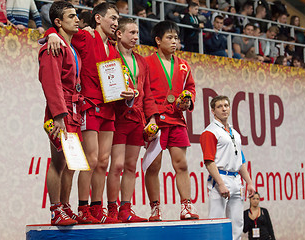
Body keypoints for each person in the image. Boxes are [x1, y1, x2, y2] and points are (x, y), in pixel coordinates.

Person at [46, 2, 134, 224]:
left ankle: (97, 208)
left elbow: (114, 82)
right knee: (89, 160)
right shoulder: (85, 37)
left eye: (117, 20)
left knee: (103, 162)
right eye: (112, 18)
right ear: (98, 19)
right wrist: (50, 34)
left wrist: (127, 93)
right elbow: (61, 33)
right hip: (88, 106)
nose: (115, 23)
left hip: (109, 109)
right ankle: (82, 207)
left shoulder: (113, 49)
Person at [144, 20, 199, 221]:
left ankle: (186, 207)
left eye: (176, 38)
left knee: (181, 164)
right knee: (153, 166)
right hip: (156, 120)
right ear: (158, 40)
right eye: (169, 37)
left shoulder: (184, 65)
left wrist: (188, 99)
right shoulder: (147, 62)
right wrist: (149, 118)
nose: (174, 41)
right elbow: (144, 91)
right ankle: (155, 208)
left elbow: (191, 88)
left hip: (176, 119)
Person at [106, 18, 159, 223]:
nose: (136, 37)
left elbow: (146, 93)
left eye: (137, 33)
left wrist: (152, 118)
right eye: (132, 33)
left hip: (137, 118)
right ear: (119, 34)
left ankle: (125, 209)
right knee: (117, 165)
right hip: (118, 116)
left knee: (130, 166)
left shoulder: (141, 61)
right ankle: (111, 209)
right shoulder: (110, 54)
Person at [38, 1, 82, 226]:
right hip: (61, 112)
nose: (77, 19)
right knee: (57, 162)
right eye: (71, 16)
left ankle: (64, 206)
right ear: (58, 22)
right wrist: (58, 116)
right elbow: (51, 83)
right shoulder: (52, 47)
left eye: (77, 15)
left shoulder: (70, 46)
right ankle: (55, 209)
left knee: (68, 163)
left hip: (73, 111)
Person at [200, 95, 255, 240]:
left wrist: (249, 182)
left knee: (237, 223)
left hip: (236, 180)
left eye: (226, 105)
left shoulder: (234, 133)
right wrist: (220, 183)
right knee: (216, 222)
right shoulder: (210, 132)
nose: (224, 108)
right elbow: (209, 161)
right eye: (219, 106)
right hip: (220, 179)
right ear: (213, 111)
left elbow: (240, 160)